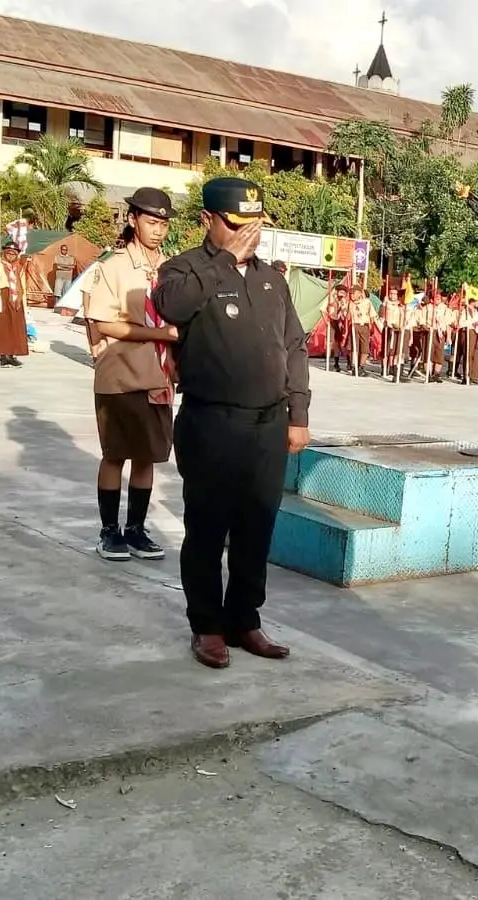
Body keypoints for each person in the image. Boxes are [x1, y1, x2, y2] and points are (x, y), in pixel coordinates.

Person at [153, 177, 310, 667]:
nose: (250, 235)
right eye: (237, 224)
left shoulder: (272, 279)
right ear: (208, 220)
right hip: (211, 424)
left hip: (268, 425)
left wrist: (298, 413)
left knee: (256, 530)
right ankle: (207, 627)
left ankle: (245, 620)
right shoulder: (184, 270)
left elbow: (294, 347)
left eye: (256, 225)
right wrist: (223, 263)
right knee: (207, 530)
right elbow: (170, 307)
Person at [83, 187, 178, 562]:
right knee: (115, 454)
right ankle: (109, 532)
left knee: (147, 456)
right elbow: (105, 323)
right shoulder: (114, 267)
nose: (158, 231)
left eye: (163, 224)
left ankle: (136, 529)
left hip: (158, 376)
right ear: (132, 219)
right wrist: (160, 334)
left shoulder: (170, 270)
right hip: (121, 375)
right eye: (151, 222)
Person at [0, 244, 32, 368]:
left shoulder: (20, 268)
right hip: (3, 297)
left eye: (13, 253)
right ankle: (3, 356)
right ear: (5, 254)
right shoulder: (0, 267)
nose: (10, 255)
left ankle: (12, 355)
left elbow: (22, 287)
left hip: (16, 299)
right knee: (4, 327)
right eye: (8, 253)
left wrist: (24, 304)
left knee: (16, 328)